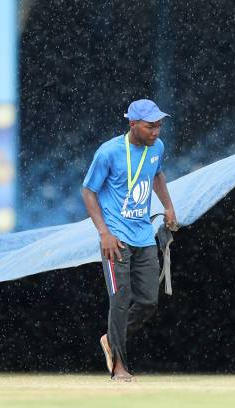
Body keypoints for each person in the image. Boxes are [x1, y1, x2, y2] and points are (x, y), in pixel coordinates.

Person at [81, 99, 177, 382]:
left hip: (144, 236)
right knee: (120, 301)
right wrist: (104, 233)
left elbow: (156, 174)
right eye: (150, 126)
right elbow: (88, 192)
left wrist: (168, 206)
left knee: (148, 301)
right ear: (133, 124)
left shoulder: (156, 148)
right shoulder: (109, 152)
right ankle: (119, 366)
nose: (156, 132)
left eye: (159, 125)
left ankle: (110, 340)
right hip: (116, 239)